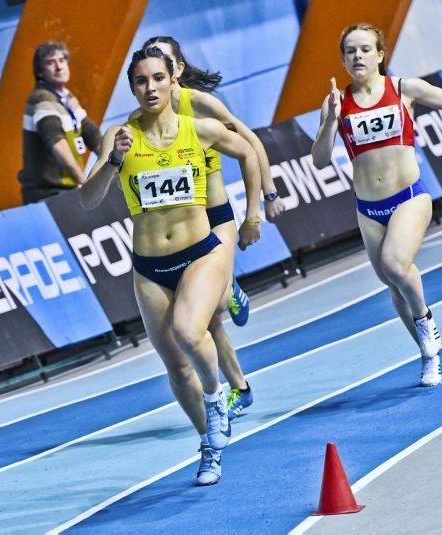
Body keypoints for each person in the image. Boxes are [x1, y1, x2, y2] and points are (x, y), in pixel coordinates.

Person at [80, 47, 263, 486]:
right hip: (149, 268)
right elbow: (88, 199)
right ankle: (210, 444)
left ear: (171, 80)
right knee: (177, 370)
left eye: (157, 78)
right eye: (141, 81)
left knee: (188, 330)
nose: (150, 88)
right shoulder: (118, 136)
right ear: (133, 88)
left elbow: (251, 151)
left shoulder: (198, 129)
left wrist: (256, 210)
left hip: (198, 253)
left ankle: (218, 399)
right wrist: (114, 161)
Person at [311, 23, 442, 387]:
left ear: (380, 54)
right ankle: (427, 356)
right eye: (351, 51)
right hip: (369, 209)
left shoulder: (402, 88)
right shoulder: (337, 103)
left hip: (410, 197)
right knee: (394, 284)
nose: (358, 56)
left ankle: (429, 330)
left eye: (365, 49)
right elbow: (319, 160)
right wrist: (329, 122)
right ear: (343, 60)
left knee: (395, 265)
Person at [138, 36, 283, 421]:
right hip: (183, 227)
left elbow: (248, 143)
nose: (152, 82)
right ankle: (240, 388)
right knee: (208, 322)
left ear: (176, 70)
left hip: (215, 218)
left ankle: (227, 286)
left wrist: (264, 201)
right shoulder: (145, 120)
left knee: (209, 313)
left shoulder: (198, 104)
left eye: (162, 65)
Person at [18, 41, 103, 204]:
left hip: (66, 192)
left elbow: (93, 136)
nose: (59, 67)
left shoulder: (66, 97)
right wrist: (83, 181)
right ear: (40, 72)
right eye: (51, 63)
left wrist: (118, 164)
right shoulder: (41, 99)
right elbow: (57, 143)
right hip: (47, 196)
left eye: (62, 60)